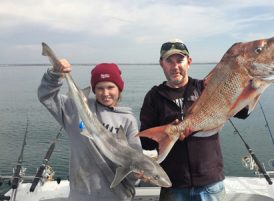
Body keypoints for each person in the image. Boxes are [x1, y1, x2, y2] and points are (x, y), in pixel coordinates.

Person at [139, 39, 249, 201]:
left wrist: (255, 85)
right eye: (169, 61)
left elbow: (243, 113)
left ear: (189, 62)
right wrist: (169, 133)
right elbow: (146, 143)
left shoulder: (205, 87)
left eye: (180, 60)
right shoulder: (154, 96)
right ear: (161, 64)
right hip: (173, 184)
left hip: (210, 182)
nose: (175, 66)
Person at [38, 61, 143, 201]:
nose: (105, 93)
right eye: (100, 88)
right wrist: (55, 74)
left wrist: (136, 175)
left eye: (110, 87)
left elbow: (135, 160)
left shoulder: (127, 120)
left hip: (117, 195)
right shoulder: (74, 109)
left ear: (119, 89)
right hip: (81, 195)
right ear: (94, 89)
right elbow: (46, 96)